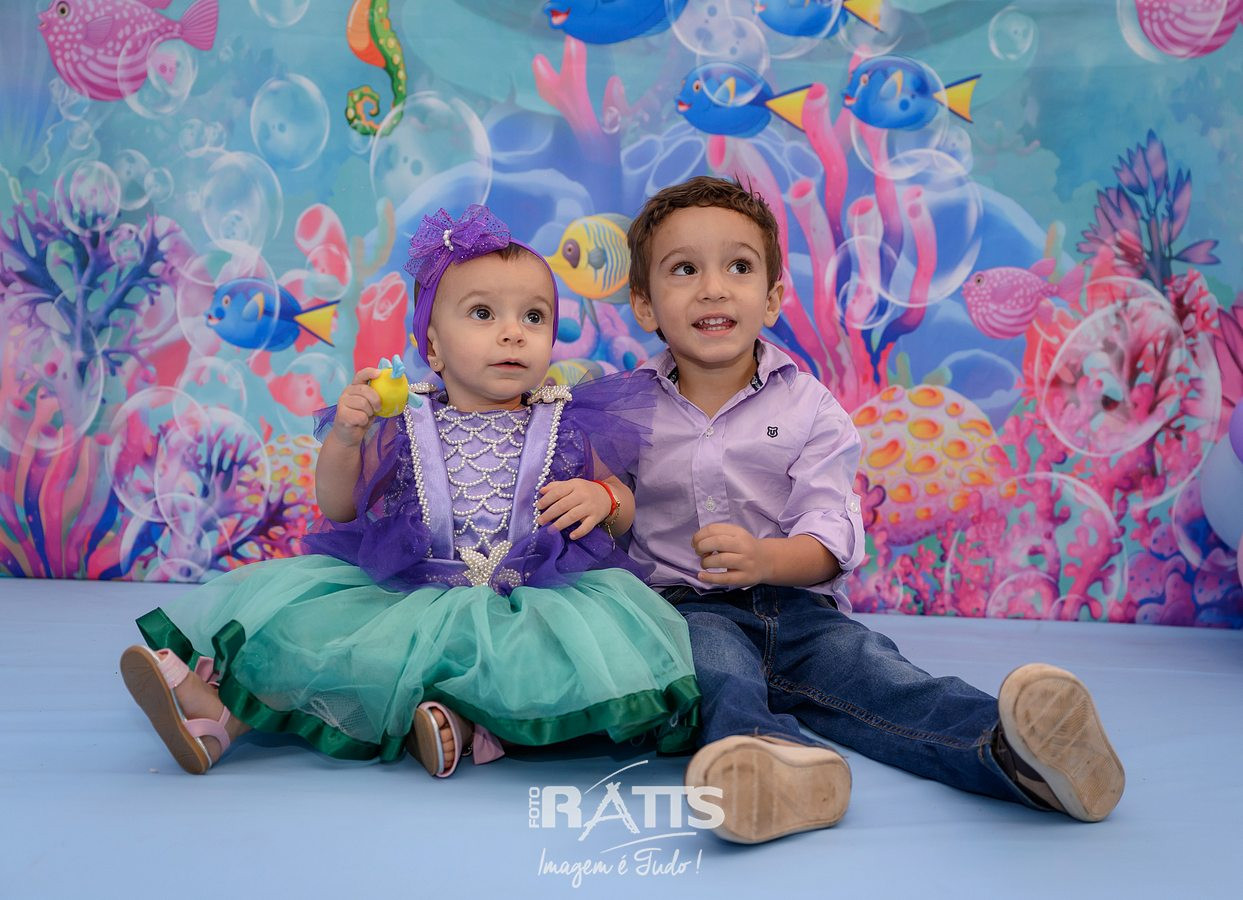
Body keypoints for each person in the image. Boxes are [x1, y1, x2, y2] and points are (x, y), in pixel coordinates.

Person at [617, 175, 1125, 843]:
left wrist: (765, 559)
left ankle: (1020, 753)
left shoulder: (810, 408)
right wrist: (600, 498)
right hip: (689, 608)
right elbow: (606, 515)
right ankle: (772, 765)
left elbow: (830, 533)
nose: (713, 288)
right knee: (715, 671)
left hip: (800, 610)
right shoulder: (622, 410)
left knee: (880, 676)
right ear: (645, 304)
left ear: (771, 298)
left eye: (738, 267)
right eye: (684, 270)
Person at [119, 204, 699, 778]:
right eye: (482, 313)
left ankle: (466, 727)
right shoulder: (407, 423)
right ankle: (220, 716)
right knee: (322, 644)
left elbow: (624, 506)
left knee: (548, 660)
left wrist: (605, 501)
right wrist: (347, 438)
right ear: (434, 347)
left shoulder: (565, 421)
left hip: (530, 599)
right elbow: (339, 506)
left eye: (533, 317)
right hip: (414, 596)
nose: (512, 332)